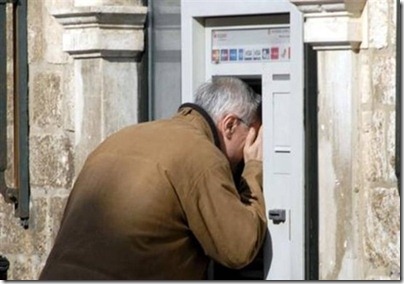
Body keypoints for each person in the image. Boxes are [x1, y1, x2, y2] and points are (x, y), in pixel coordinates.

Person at [39, 77, 267, 280]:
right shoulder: (202, 155)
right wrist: (254, 167)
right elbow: (239, 248)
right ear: (230, 125)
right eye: (252, 137)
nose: (248, 149)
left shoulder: (123, 136)